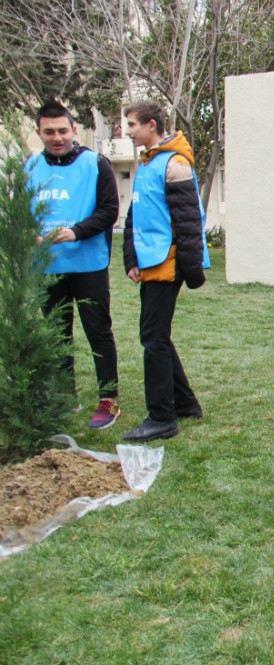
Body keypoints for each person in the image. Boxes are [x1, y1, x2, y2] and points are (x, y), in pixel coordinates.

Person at [25, 102, 122, 429]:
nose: (56, 137)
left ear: (74, 130)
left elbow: (109, 211)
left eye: (62, 130)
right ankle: (66, 395)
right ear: (39, 132)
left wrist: (76, 231)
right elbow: (22, 213)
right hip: (47, 268)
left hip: (89, 264)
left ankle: (108, 400)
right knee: (57, 334)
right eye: (49, 131)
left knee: (98, 331)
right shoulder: (30, 167)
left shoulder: (96, 164)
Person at [121, 100, 209, 442]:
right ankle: (186, 405)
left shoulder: (174, 165)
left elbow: (189, 222)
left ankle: (162, 417)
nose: (128, 131)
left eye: (132, 125)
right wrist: (131, 258)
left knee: (153, 338)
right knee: (156, 335)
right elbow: (135, 216)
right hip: (148, 263)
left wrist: (192, 270)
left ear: (152, 125)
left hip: (166, 263)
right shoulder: (148, 163)